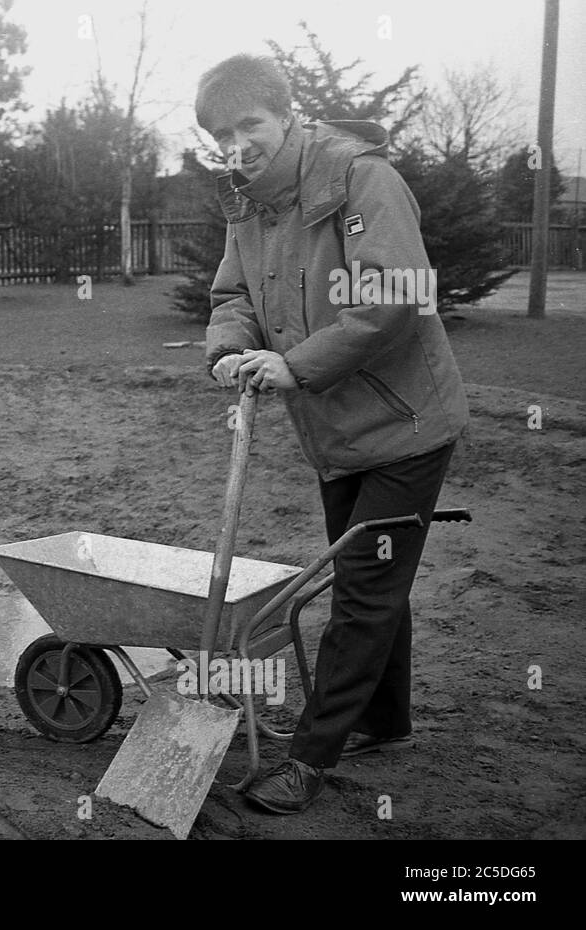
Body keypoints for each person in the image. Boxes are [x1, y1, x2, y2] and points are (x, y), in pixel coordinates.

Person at [196, 54, 468, 813]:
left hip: (406, 424)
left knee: (363, 592)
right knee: (373, 579)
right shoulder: (248, 204)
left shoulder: (359, 180)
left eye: (249, 125)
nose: (237, 144)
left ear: (286, 114)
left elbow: (394, 298)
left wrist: (293, 366)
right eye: (222, 134)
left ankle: (310, 758)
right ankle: (384, 719)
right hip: (335, 431)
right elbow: (232, 294)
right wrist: (227, 350)